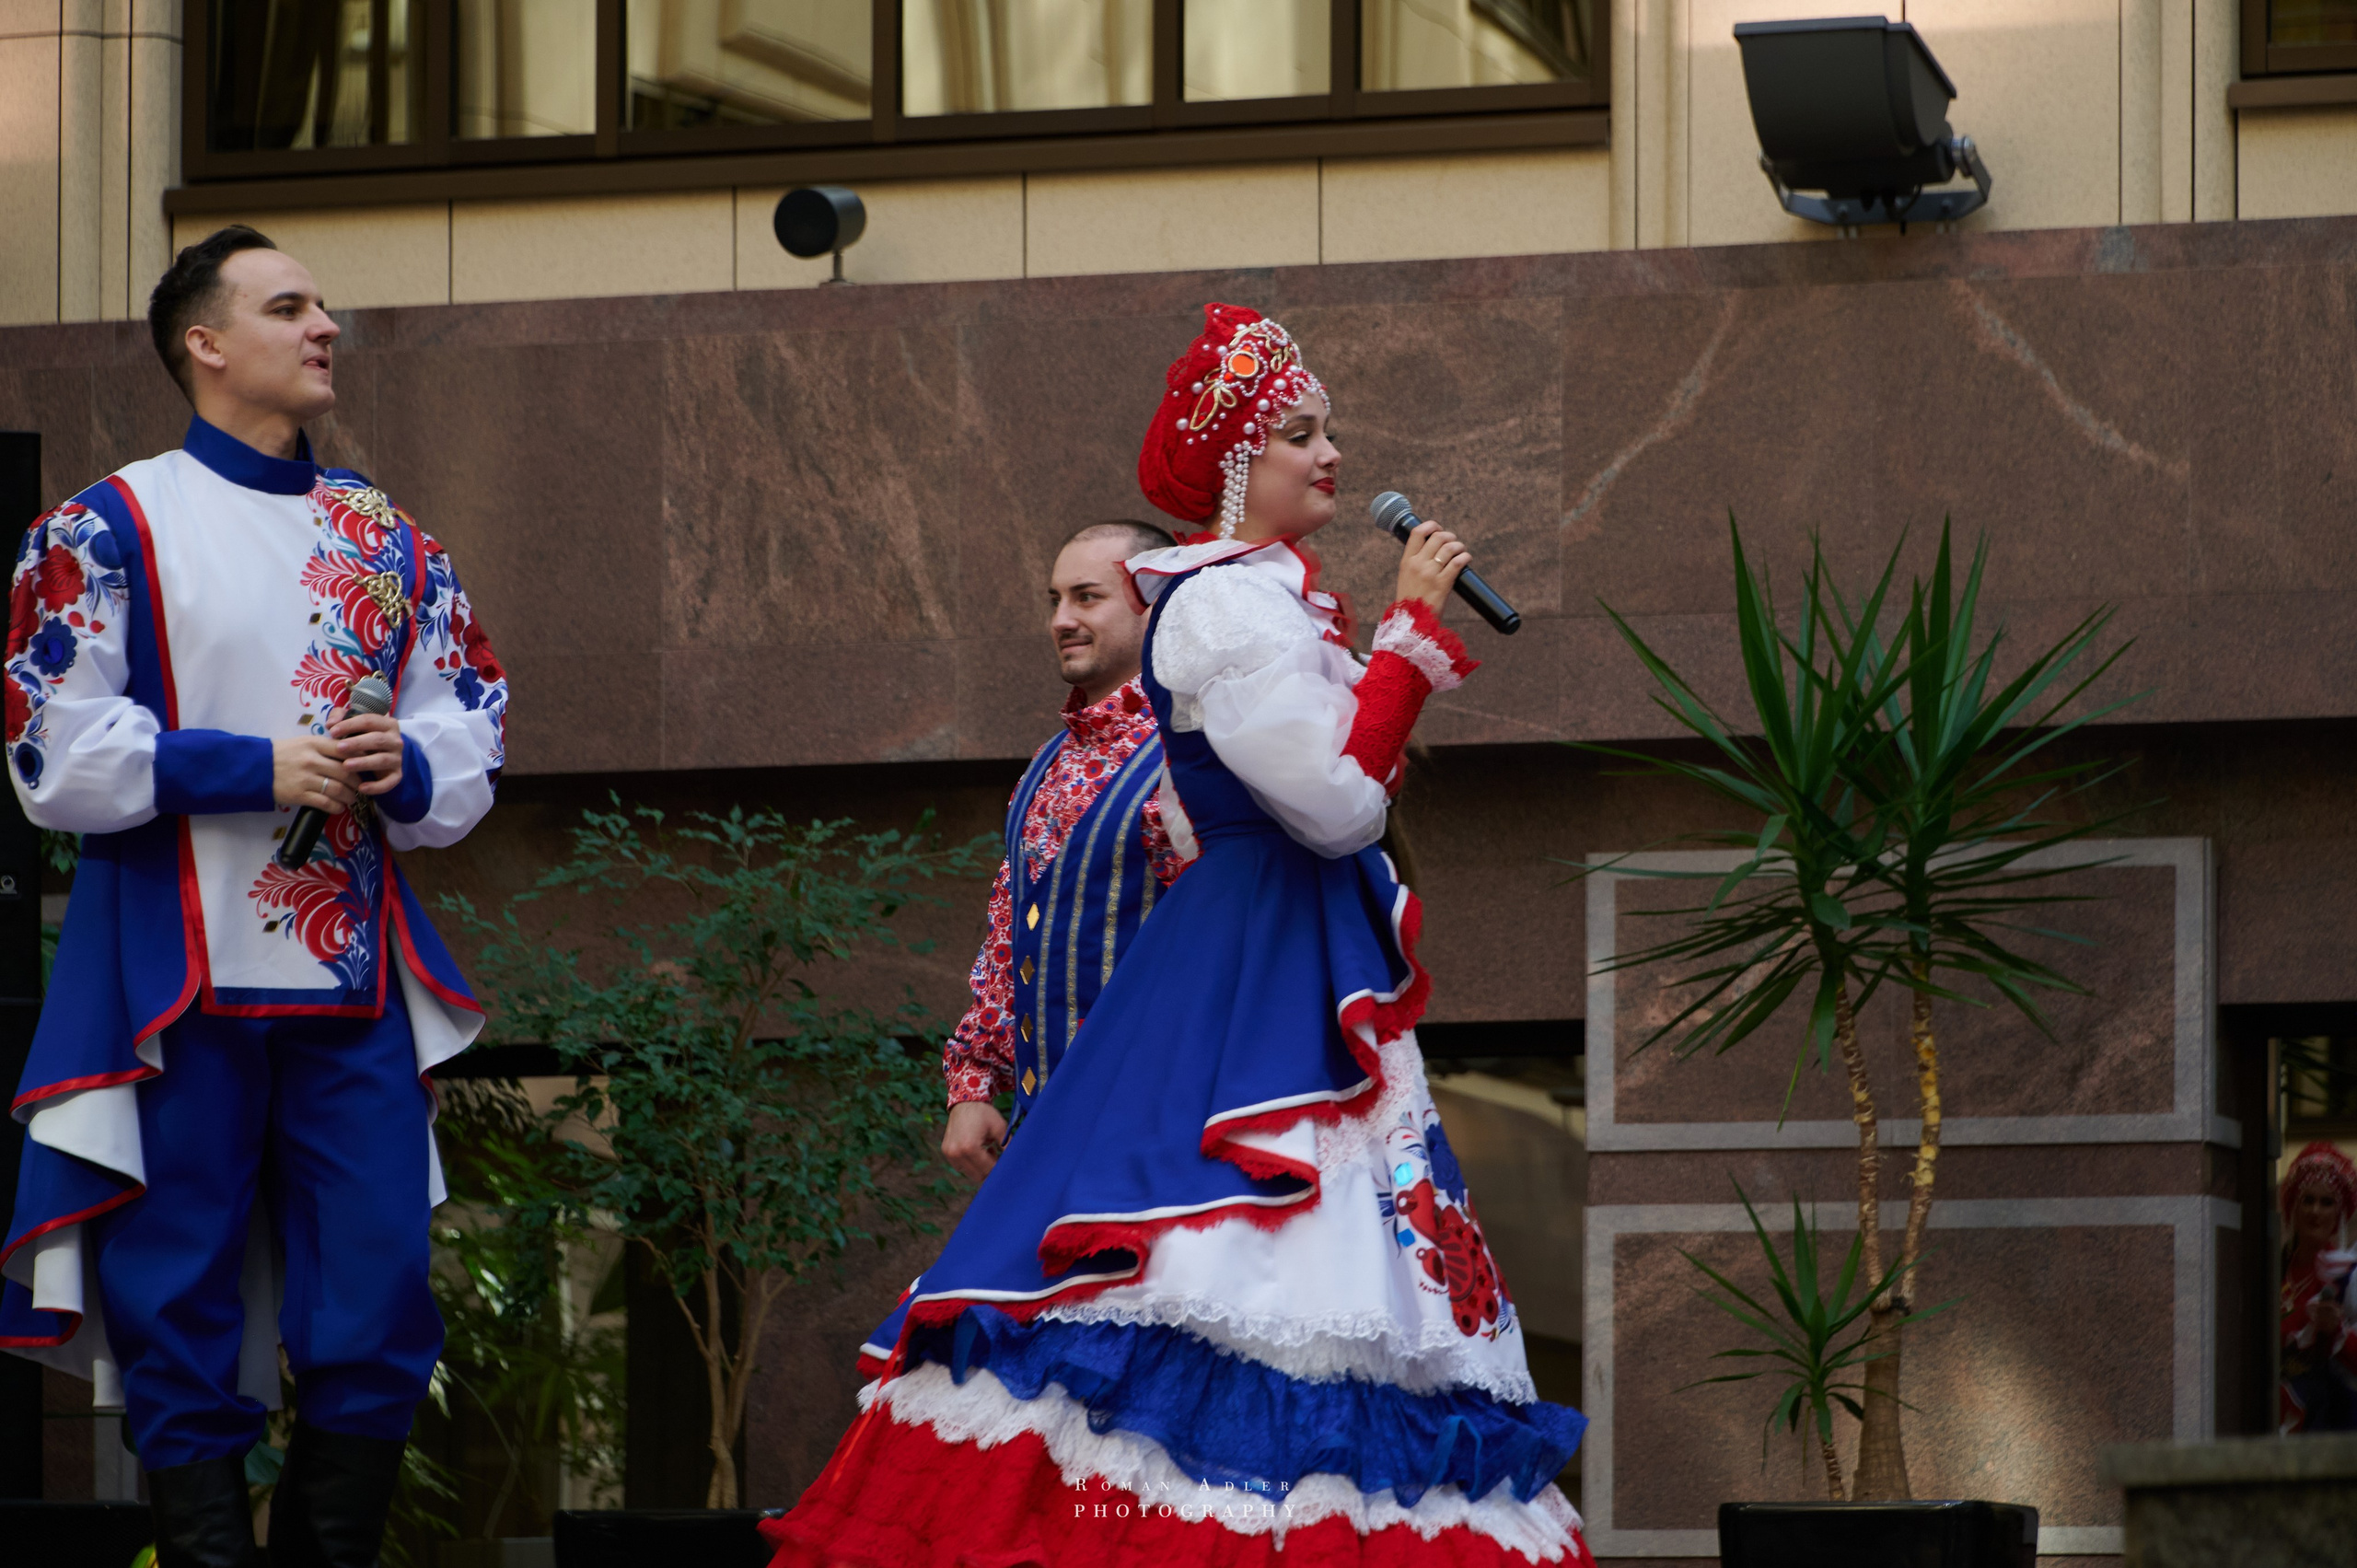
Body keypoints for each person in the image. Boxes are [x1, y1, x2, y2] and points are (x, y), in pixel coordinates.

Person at [762, 303, 1593, 1565]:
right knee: (1208, 1269)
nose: (1332, 457)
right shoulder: (1217, 610)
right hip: (1247, 969)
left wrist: (1380, 658)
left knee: (1319, 1278)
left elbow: (1327, 792)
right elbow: (1333, 805)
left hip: (1280, 966)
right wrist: (1410, 643)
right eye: (1302, 434)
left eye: (1329, 433)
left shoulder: (1271, 605)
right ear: (1235, 465)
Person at [0, 226, 506, 1567]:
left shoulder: (390, 535)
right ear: (204, 344)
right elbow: (51, 749)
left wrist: (408, 766)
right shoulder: (105, 523)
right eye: (290, 306)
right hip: (173, 972)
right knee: (174, 1290)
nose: (325, 324)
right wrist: (251, 762)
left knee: (387, 1281)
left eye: (326, 304)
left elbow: (470, 734)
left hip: (351, 973)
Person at [940, 517, 1186, 1182]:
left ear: (1156, 602)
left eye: (1087, 596)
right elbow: (1008, 931)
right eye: (1055, 599)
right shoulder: (1049, 763)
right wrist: (972, 1082)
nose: (1061, 619)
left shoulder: (1195, 750)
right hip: (1045, 1134)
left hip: (1162, 1134)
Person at [2279, 1140, 2357, 1434]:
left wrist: (2338, 1333)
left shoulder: (2347, 1275)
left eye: (2327, 1203)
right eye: (2307, 1200)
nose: (2315, 1211)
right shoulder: (2271, 1270)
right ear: (2292, 1206)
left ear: (2339, 1214)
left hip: (2326, 1430)